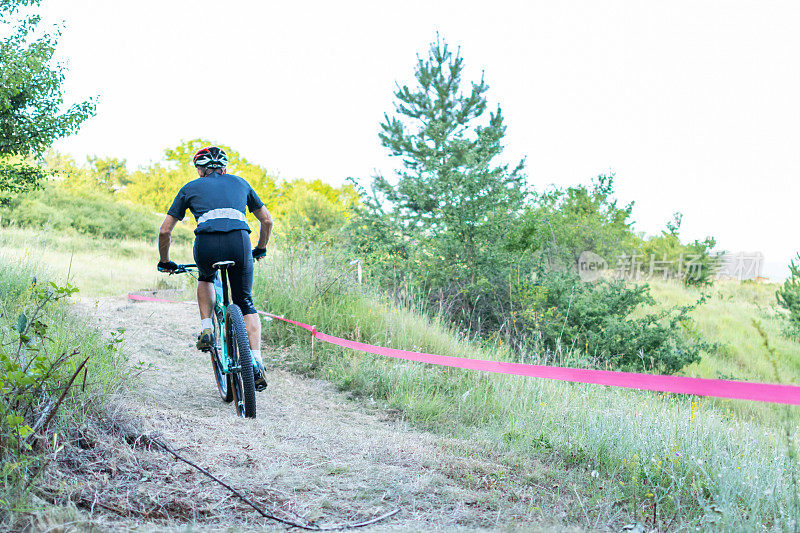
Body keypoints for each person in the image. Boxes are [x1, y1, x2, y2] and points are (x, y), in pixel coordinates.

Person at [157, 146, 273, 391]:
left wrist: (165, 261)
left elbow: (165, 230)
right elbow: (267, 220)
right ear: (225, 168)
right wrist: (260, 248)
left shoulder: (189, 188)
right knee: (244, 301)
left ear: (200, 170)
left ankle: (207, 329)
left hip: (207, 244)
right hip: (240, 243)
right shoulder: (241, 183)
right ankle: (256, 361)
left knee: (206, 278)